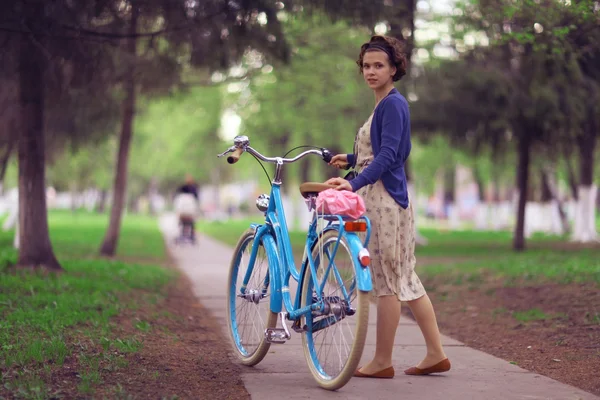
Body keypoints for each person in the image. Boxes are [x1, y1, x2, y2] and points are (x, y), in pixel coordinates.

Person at [326, 35, 450, 378]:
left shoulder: (393, 104)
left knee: (387, 282)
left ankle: (382, 361)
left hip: (384, 202)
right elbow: (380, 151)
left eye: (379, 65)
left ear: (394, 68)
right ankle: (437, 353)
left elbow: (391, 155)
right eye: (366, 66)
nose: (371, 71)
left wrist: (352, 182)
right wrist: (351, 159)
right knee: (404, 278)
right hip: (381, 197)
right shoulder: (383, 104)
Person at [174, 175, 200, 243]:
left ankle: (191, 235)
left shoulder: (194, 188)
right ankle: (183, 234)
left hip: (190, 209)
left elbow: (196, 198)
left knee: (191, 222)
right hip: (184, 208)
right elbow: (178, 195)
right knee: (182, 222)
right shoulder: (183, 187)